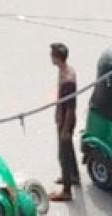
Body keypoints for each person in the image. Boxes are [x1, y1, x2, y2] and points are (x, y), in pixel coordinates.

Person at [47, 42, 80, 202]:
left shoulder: (68, 80)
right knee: (68, 149)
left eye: (52, 54)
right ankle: (73, 176)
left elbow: (71, 108)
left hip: (67, 120)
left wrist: (65, 130)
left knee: (63, 155)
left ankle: (66, 191)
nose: (50, 57)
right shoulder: (64, 70)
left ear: (57, 58)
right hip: (63, 117)